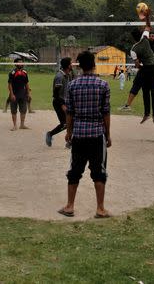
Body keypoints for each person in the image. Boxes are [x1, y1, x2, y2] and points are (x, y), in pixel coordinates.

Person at [57, 51, 111, 219]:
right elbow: (106, 113)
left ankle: (69, 206)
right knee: (99, 171)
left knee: (75, 170)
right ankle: (100, 209)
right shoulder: (103, 85)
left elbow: (69, 113)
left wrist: (68, 132)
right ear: (94, 64)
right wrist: (107, 135)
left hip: (79, 135)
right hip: (96, 135)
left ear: (79, 66)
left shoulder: (73, 85)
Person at [46, 57, 73, 147]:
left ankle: (70, 142)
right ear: (68, 65)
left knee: (72, 121)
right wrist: (62, 104)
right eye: (71, 63)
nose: (72, 65)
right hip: (58, 102)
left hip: (66, 102)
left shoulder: (68, 75)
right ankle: (50, 134)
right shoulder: (59, 76)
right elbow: (55, 94)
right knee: (65, 123)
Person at [8, 57, 32, 130]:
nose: (21, 63)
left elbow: (27, 83)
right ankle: (15, 125)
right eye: (20, 62)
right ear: (16, 64)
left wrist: (28, 93)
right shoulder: (12, 73)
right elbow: (9, 84)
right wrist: (12, 94)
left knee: (23, 110)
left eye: (22, 62)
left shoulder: (25, 72)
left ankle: (22, 125)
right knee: (13, 110)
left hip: (23, 94)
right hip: (14, 94)